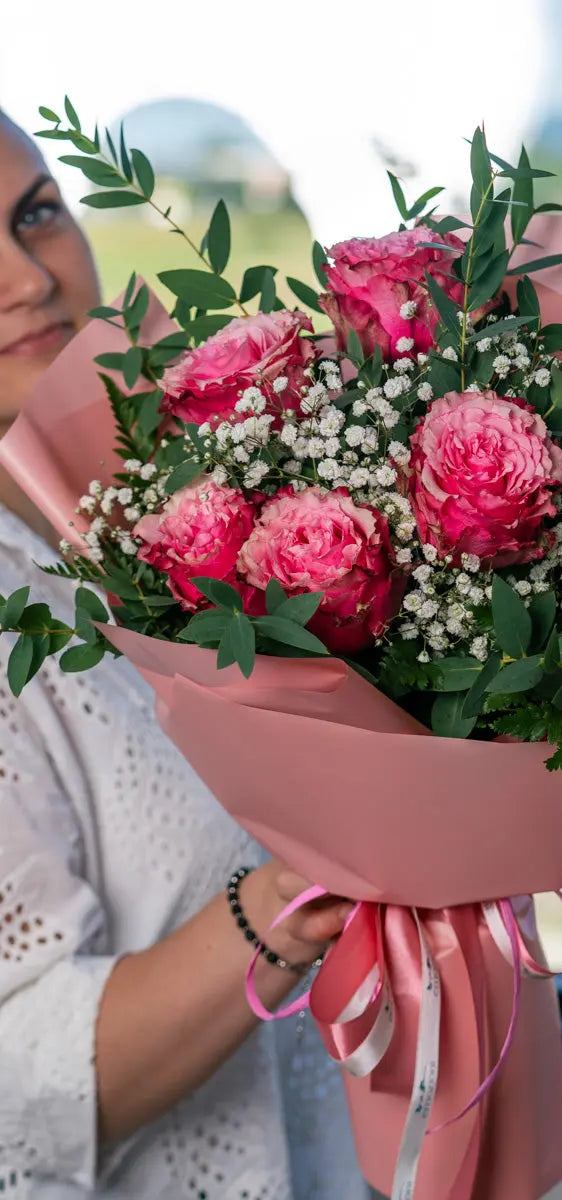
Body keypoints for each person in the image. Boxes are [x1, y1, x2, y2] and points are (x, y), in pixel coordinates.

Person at [0, 111, 369, 1199]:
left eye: (37, 214)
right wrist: (305, 890)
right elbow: (20, 1083)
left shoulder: (183, 490)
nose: (26, 276)